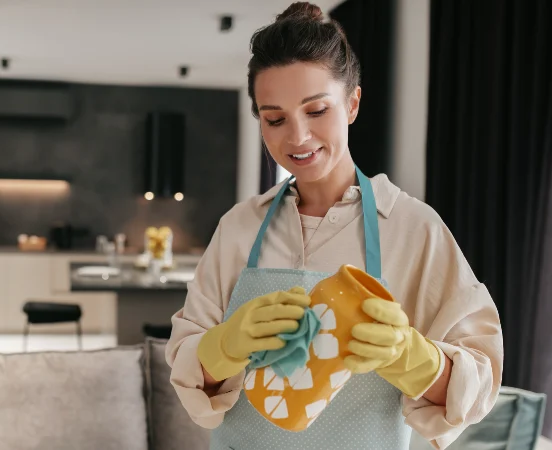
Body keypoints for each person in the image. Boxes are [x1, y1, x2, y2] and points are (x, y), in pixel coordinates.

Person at [165, 2, 504, 449]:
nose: (298, 137)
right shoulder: (239, 227)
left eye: (317, 110)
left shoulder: (412, 227)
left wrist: (410, 356)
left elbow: (479, 385)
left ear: (352, 104)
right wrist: (224, 346)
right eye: (275, 119)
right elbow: (188, 375)